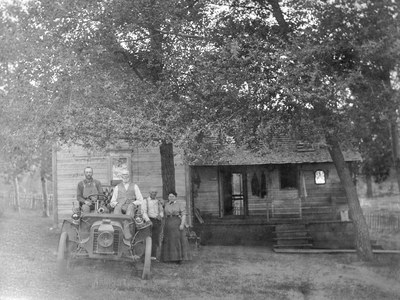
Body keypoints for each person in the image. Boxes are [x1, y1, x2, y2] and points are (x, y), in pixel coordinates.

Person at [161, 192, 191, 263]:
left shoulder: (180, 204)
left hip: (176, 222)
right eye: (169, 196)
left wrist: (182, 224)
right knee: (168, 240)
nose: (171, 198)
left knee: (177, 240)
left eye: (172, 196)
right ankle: (167, 258)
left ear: (175, 197)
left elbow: (183, 215)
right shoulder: (166, 205)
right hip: (168, 223)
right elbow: (163, 214)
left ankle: (178, 258)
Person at [142, 187, 165, 260]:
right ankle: (144, 255)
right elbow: (143, 212)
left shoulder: (158, 201)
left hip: (157, 221)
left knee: (155, 238)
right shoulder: (145, 201)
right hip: (148, 220)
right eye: (152, 192)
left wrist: (160, 215)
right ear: (149, 193)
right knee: (147, 237)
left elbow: (161, 211)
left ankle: (153, 256)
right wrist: (148, 220)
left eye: (155, 192)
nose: (154, 194)